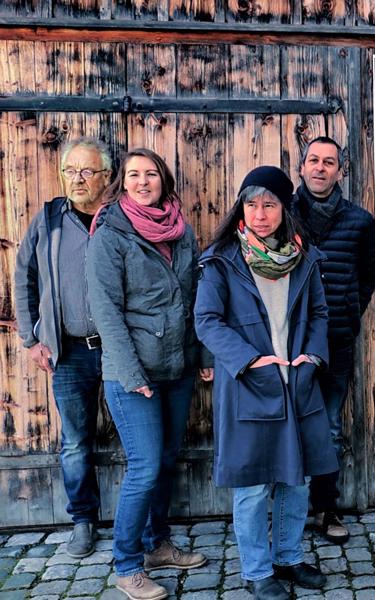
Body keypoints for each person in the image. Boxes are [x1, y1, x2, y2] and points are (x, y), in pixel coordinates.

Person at [195, 166, 338, 600]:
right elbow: (207, 321)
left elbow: (318, 314)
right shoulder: (221, 260)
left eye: (269, 204)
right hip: (250, 386)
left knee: (298, 480)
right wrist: (252, 361)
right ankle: (257, 571)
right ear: (242, 207)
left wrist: (311, 358)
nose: (260, 213)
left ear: (283, 210)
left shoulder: (304, 258)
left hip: (298, 382)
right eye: (252, 204)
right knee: (254, 485)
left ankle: (289, 557)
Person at [86, 148, 210, 600]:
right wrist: (130, 371)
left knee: (165, 459)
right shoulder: (110, 233)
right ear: (123, 182)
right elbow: (106, 311)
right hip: (131, 374)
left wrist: (202, 355)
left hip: (176, 368)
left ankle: (158, 545)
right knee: (143, 466)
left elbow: (195, 298)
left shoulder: (180, 230)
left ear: (164, 180)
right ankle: (127, 564)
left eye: (151, 174)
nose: (143, 181)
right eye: (134, 174)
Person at [14, 137, 112, 558]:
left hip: (119, 350)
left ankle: (142, 524)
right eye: (70, 170)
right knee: (75, 442)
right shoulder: (50, 217)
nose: (77, 178)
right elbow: (23, 276)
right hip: (68, 352)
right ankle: (83, 521)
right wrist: (31, 338)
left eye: (87, 171)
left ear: (106, 178)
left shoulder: (120, 217)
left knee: (140, 437)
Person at [289, 137, 375, 544]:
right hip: (285, 344)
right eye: (313, 161)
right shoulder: (281, 215)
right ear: (301, 167)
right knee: (283, 426)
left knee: (328, 427)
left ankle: (326, 508)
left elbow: (368, 276)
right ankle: (287, 512)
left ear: (340, 171)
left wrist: (347, 311)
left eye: (329, 162)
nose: (320, 168)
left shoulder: (359, 220)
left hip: (336, 340)